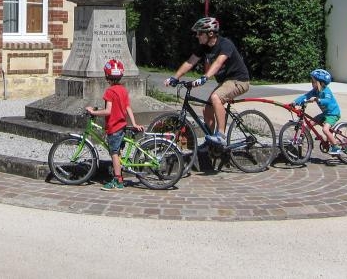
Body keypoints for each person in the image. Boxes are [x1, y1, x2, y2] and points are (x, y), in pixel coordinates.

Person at [164, 17, 251, 146]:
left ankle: (220, 135)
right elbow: (190, 62)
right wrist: (175, 77)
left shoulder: (225, 44)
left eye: (200, 33)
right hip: (226, 82)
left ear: (210, 33)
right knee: (207, 108)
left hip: (239, 80)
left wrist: (205, 77)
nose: (197, 36)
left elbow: (218, 63)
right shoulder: (204, 47)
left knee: (216, 98)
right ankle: (211, 141)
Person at [86, 58, 143, 190]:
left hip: (114, 127)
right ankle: (119, 174)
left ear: (107, 76)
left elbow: (108, 111)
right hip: (122, 126)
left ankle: (118, 180)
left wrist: (93, 112)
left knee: (114, 153)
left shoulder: (110, 92)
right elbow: (128, 107)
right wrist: (133, 123)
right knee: (118, 153)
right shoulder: (123, 90)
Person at [293, 68, 342, 155]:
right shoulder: (315, 91)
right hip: (325, 114)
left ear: (321, 83)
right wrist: (295, 102)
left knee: (325, 129)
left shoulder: (326, 91)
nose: (312, 83)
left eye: (313, 81)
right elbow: (306, 96)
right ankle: (302, 140)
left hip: (333, 114)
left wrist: (317, 99)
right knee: (309, 124)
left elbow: (327, 101)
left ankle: (336, 147)